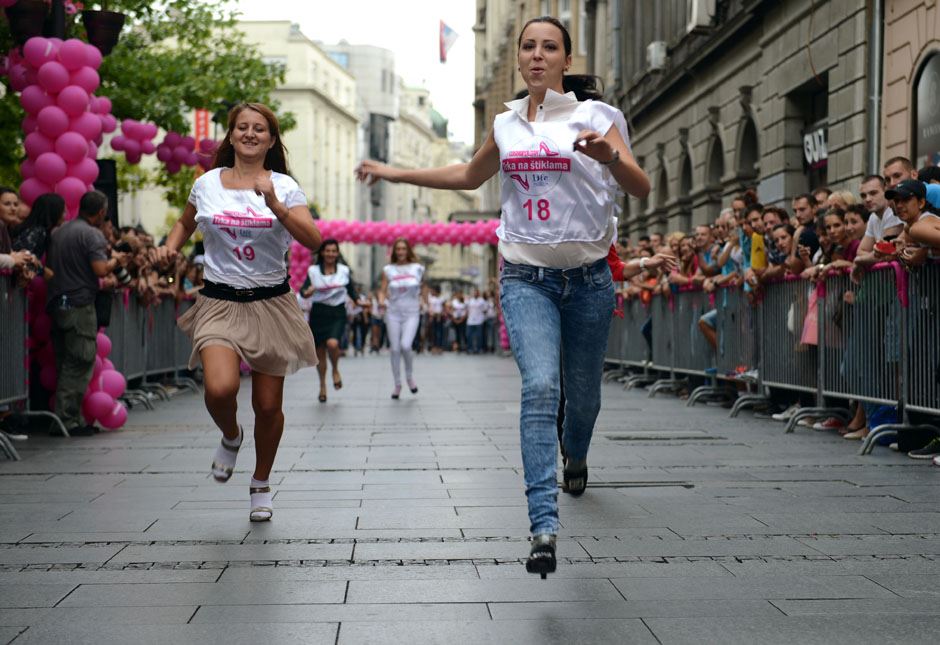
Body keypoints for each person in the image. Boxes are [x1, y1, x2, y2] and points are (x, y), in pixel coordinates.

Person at [356, 15, 652, 577]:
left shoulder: (598, 117)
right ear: (519, 59)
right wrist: (393, 174)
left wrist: (609, 157)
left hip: (589, 280)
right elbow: (469, 175)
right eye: (529, 47)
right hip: (526, 277)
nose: (538, 56)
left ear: (567, 59)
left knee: (582, 399)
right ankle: (543, 525)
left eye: (550, 47)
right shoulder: (508, 122)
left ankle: (578, 453)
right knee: (541, 387)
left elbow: (640, 185)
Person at [155, 102, 320, 522]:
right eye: (242, 128)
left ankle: (261, 482)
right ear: (230, 136)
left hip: (270, 303)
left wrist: (277, 206)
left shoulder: (285, 186)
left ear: (270, 139)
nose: (250, 134)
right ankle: (230, 436)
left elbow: (314, 240)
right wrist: (168, 249)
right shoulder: (207, 183)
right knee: (220, 389)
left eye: (259, 129)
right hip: (220, 300)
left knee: (267, 406)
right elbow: (184, 223)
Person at [46, 191, 126, 436]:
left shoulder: (60, 232)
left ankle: (65, 418)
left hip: (57, 303)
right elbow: (101, 269)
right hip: (79, 305)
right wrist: (117, 261)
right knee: (79, 362)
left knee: (64, 362)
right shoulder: (92, 234)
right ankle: (67, 420)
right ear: (101, 212)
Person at [301, 239, 356, 403]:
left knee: (333, 344)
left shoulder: (344, 271)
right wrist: (307, 292)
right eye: (328, 251)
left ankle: (336, 370)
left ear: (337, 253)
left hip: (337, 312)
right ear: (322, 253)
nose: (331, 254)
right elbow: (304, 291)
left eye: (334, 251)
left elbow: (352, 292)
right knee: (320, 353)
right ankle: (322, 385)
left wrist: (362, 303)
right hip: (319, 313)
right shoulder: (313, 271)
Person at [378, 237, 424, 398]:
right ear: (394, 252)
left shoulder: (417, 268)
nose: (401, 252)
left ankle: (409, 377)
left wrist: (426, 302)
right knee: (395, 349)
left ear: (408, 250)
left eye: (404, 249)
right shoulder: (388, 269)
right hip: (393, 312)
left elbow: (423, 288)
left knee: (406, 345)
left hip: (412, 312)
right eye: (398, 249)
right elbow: (383, 290)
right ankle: (397, 384)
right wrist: (381, 301)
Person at [12, 193, 66, 281]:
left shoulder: (39, 230)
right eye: (63, 211)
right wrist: (42, 270)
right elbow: (21, 255)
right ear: (54, 212)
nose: (65, 216)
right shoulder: (37, 231)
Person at [465, 288, 487, 354]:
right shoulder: (470, 300)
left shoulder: (482, 301)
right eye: (474, 292)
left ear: (478, 293)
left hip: (479, 321)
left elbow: (485, 310)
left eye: (476, 292)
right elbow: (466, 309)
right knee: (469, 335)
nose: (475, 294)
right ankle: (470, 348)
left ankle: (479, 349)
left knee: (479, 336)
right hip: (470, 320)